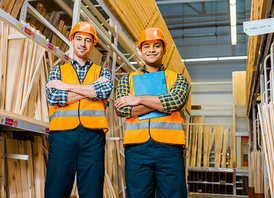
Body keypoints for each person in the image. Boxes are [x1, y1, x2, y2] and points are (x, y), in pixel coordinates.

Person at [115, 27, 189, 198]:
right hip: (137, 150)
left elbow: (176, 102)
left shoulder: (177, 78)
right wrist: (161, 101)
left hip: (170, 150)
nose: (151, 50)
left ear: (164, 49)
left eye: (156, 45)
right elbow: (122, 108)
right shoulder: (127, 79)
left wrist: (138, 99)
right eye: (146, 46)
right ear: (140, 50)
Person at [45, 22, 113, 198]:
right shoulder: (57, 71)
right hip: (62, 137)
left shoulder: (103, 72)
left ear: (93, 43)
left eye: (88, 40)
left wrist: (66, 87)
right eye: (79, 39)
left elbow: (104, 91)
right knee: (56, 191)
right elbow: (53, 97)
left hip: (93, 138)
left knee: (92, 192)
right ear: (72, 41)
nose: (83, 44)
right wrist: (91, 91)